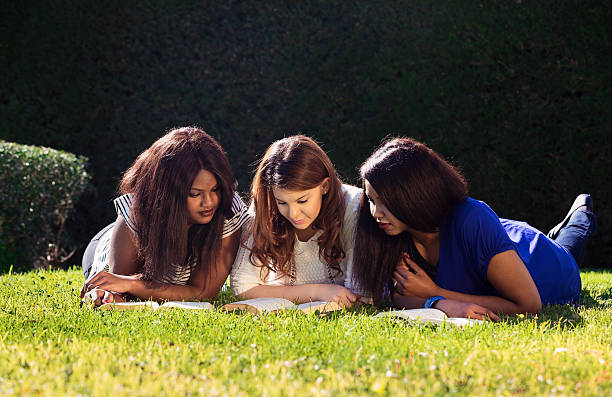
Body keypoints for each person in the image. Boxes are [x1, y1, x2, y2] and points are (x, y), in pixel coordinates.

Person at [352, 137, 597, 320]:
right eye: (372, 200)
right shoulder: (393, 231)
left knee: (567, 245)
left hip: (541, 262)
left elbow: (529, 305)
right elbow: (401, 296)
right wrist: (438, 304)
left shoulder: (472, 217)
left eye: (386, 201)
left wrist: (436, 292)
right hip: (495, 239)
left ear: (414, 195)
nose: (375, 213)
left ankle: (579, 217)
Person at [80, 127, 249, 306]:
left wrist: (131, 284)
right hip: (105, 245)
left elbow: (202, 292)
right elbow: (118, 285)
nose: (208, 202)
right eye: (195, 194)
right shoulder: (137, 210)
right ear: (169, 194)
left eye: (215, 189)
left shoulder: (228, 210)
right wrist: (115, 291)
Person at [230, 135, 363, 306]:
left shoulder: (353, 206)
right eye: (282, 202)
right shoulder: (266, 205)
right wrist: (317, 292)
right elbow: (242, 287)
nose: (293, 214)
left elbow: (361, 294)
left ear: (325, 186)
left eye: (302, 200)